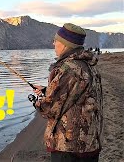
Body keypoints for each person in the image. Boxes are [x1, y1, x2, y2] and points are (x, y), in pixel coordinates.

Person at [33, 23, 103, 162]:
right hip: (89, 141)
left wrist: (37, 102)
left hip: (70, 146)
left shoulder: (69, 69)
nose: (53, 44)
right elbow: (79, 94)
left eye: (56, 40)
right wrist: (48, 90)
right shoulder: (88, 65)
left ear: (65, 44)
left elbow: (50, 109)